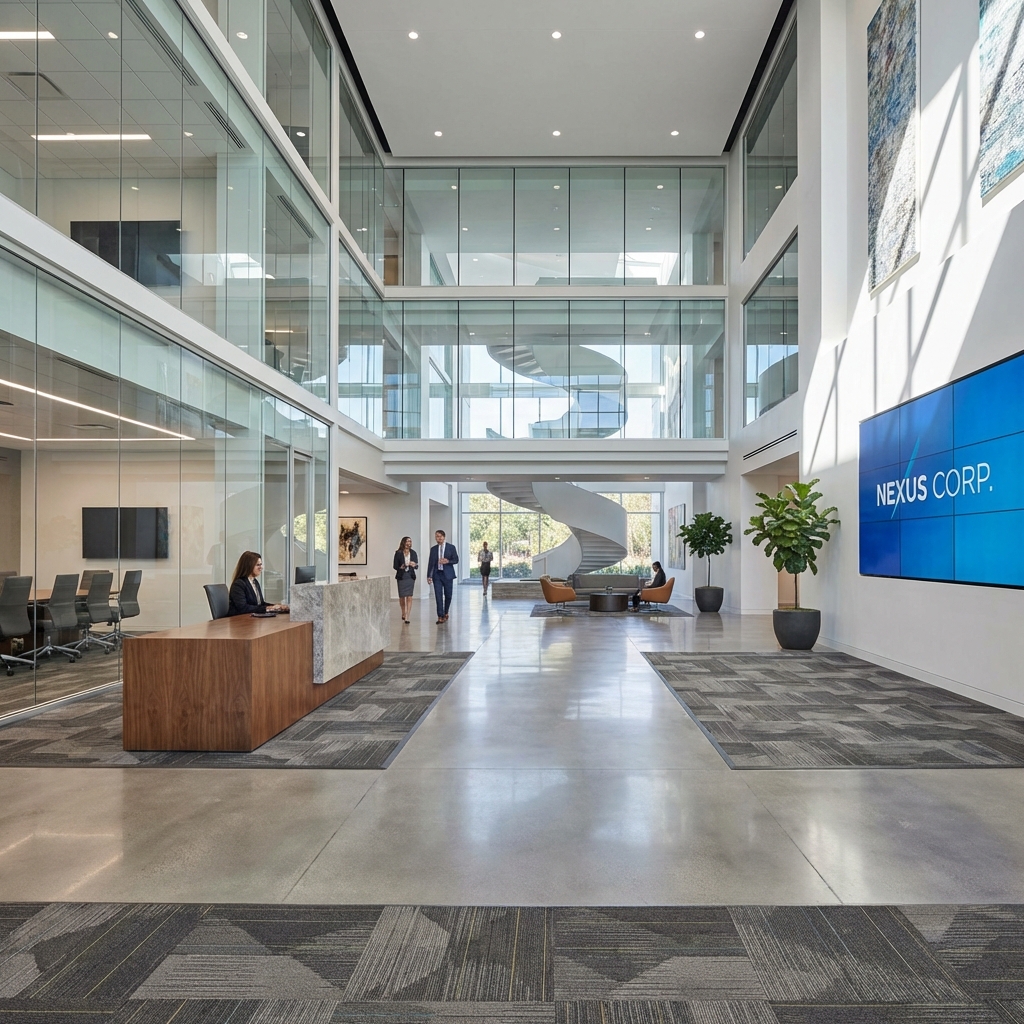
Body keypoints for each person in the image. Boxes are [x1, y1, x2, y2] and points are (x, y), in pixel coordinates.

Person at [229, 551, 289, 615]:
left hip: (252, 619)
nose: (261, 567)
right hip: (240, 620)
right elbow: (243, 608)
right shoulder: (239, 584)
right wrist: (268, 608)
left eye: (261, 564)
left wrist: (276, 607)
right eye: (258, 565)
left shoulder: (255, 582)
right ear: (249, 566)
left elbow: (261, 604)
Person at [426, 529, 459, 624]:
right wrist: (429, 576)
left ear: (444, 537)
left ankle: (446, 612)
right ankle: (440, 616)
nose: (438, 538)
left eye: (440, 536)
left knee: (448, 595)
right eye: (436, 536)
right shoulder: (433, 549)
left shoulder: (451, 547)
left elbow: (456, 560)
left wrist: (447, 561)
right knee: (438, 595)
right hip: (437, 575)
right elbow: (431, 563)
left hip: (448, 575)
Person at [393, 536, 418, 624]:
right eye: (407, 541)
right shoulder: (398, 553)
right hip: (401, 576)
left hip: (410, 576)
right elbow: (395, 566)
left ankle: (407, 616)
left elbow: (417, 566)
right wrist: (401, 567)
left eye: (410, 541)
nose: (409, 543)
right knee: (402, 596)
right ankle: (403, 612)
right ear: (403, 542)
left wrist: (414, 565)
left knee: (409, 596)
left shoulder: (413, 553)